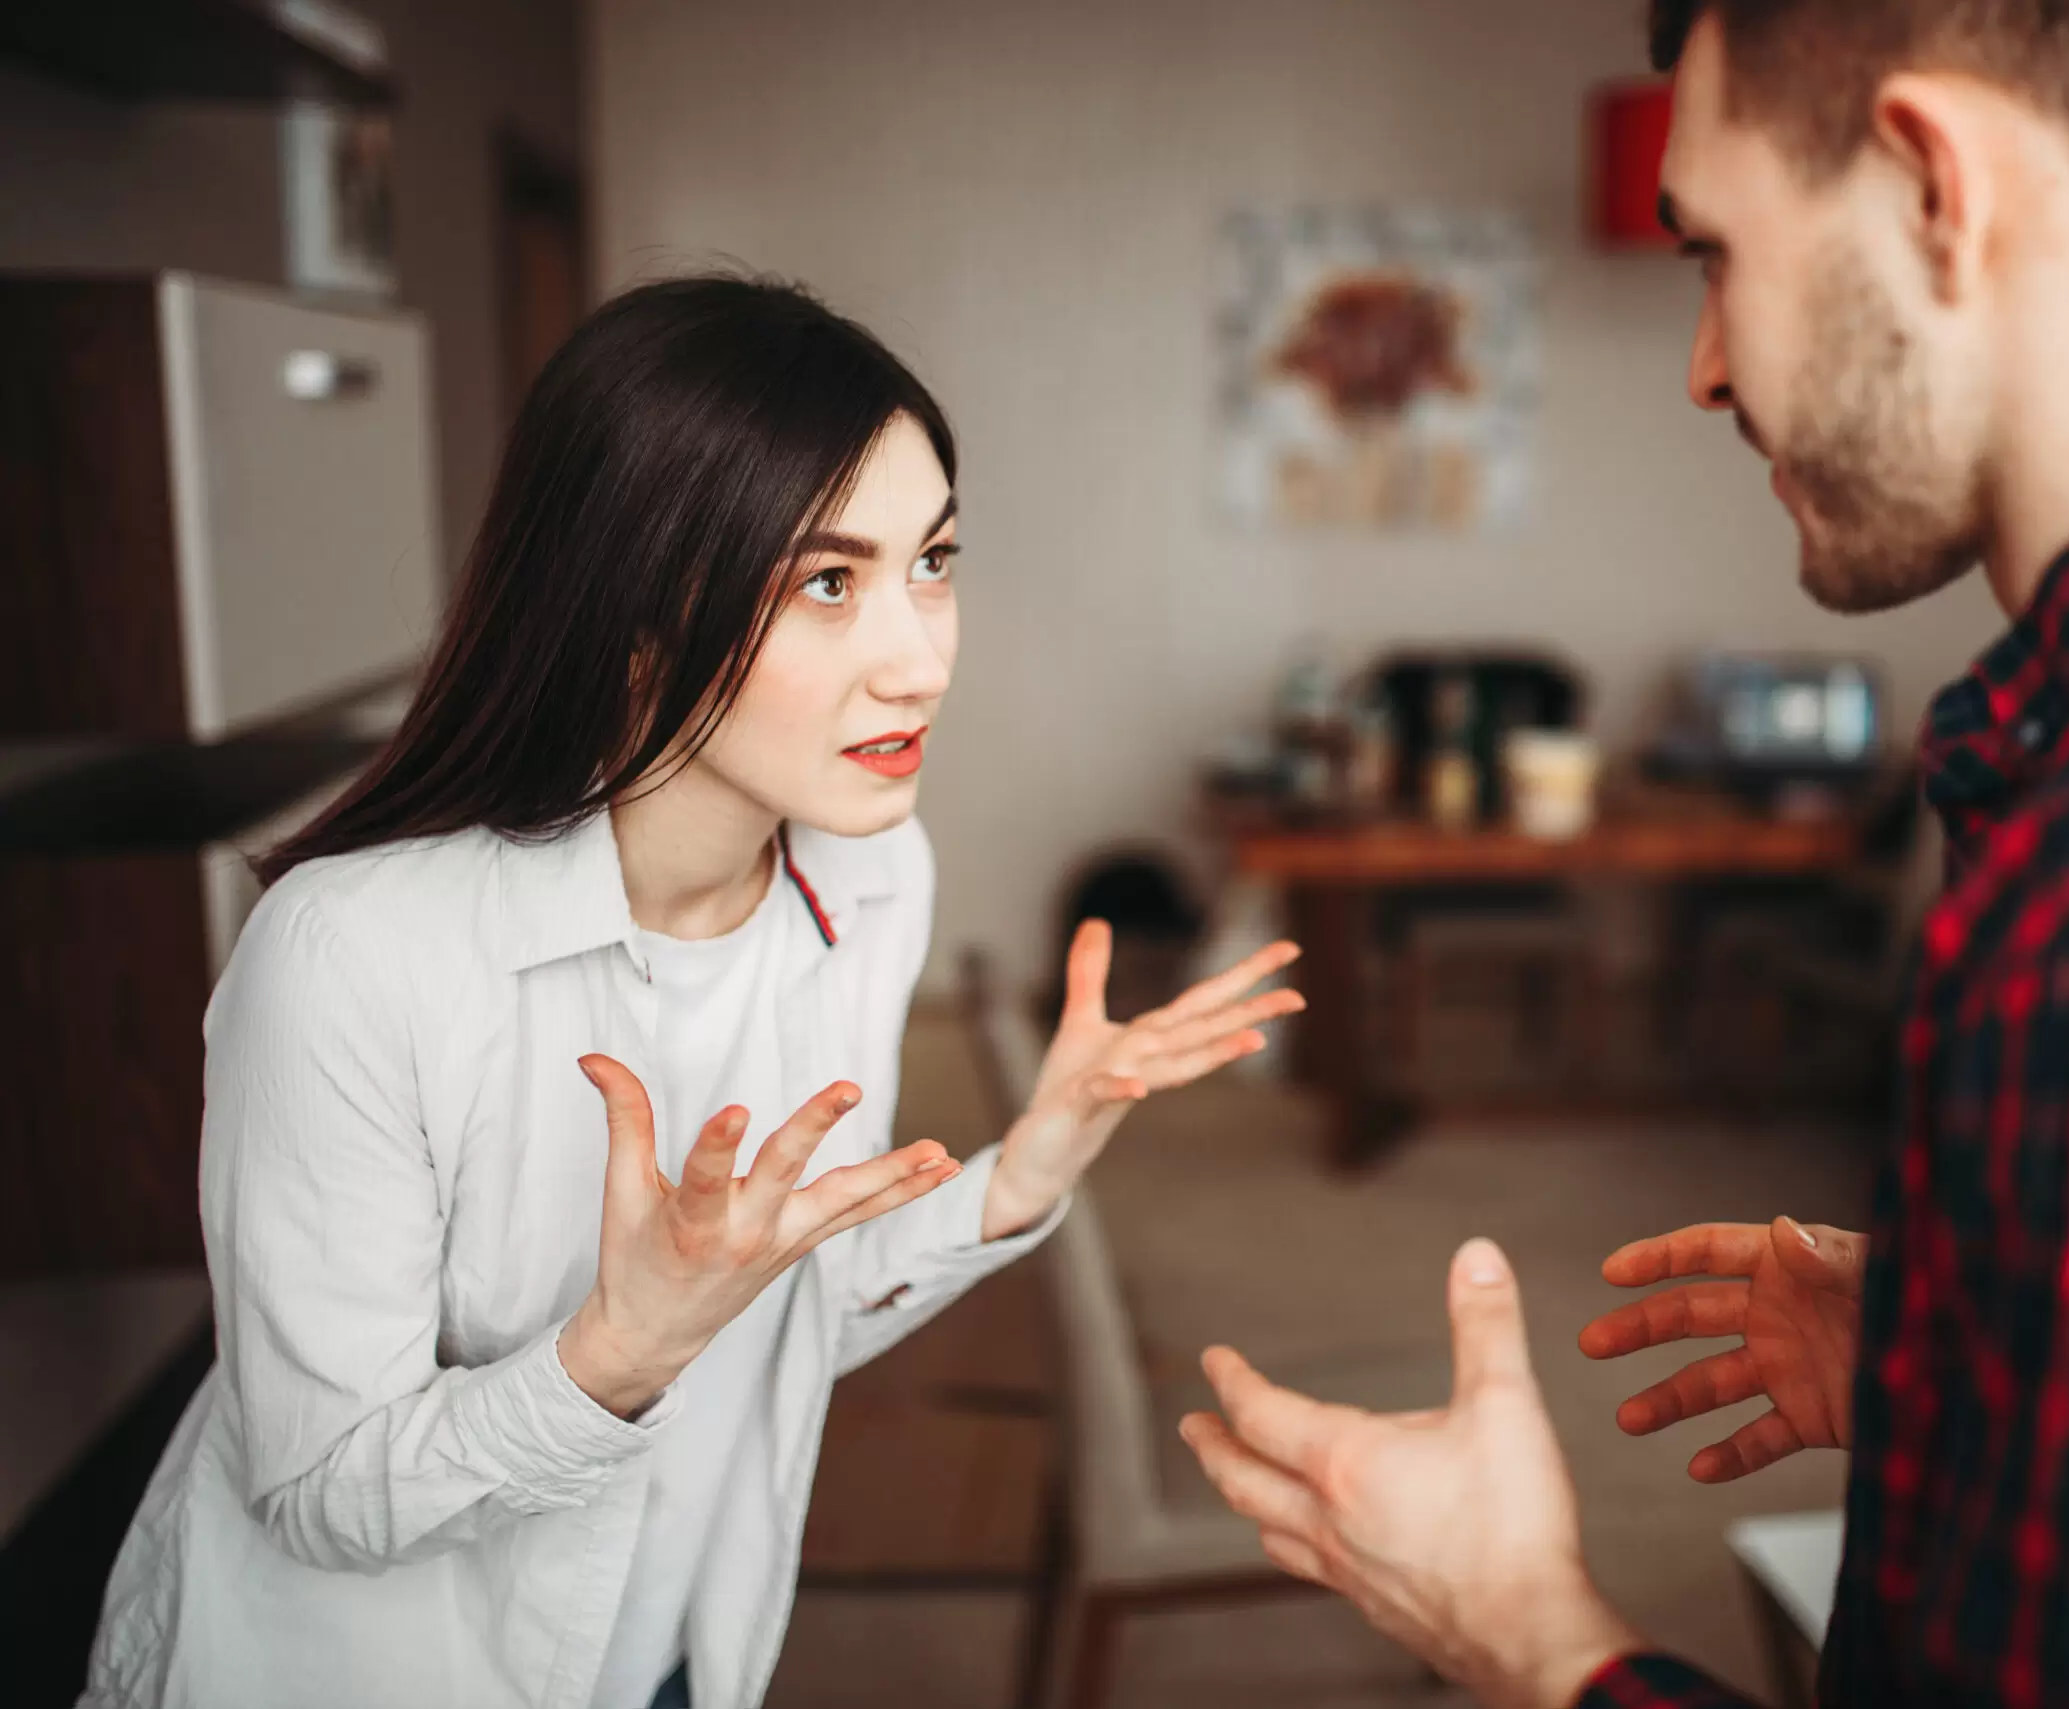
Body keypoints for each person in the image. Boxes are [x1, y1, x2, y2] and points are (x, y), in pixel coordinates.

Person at [1182, 0, 2069, 1703]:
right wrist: (1976, 1350)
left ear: (1934, 187)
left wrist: (1530, 1634)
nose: (1703, 365)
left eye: (1714, 253)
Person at [83, 276, 1303, 1709]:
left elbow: (781, 1306)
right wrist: (615, 1356)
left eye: (935, 561)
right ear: (631, 610)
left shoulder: (871, 876)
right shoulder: (352, 956)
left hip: (671, 1653)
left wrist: (1020, 1172)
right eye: (829, 583)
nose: (922, 658)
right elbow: (317, 1492)